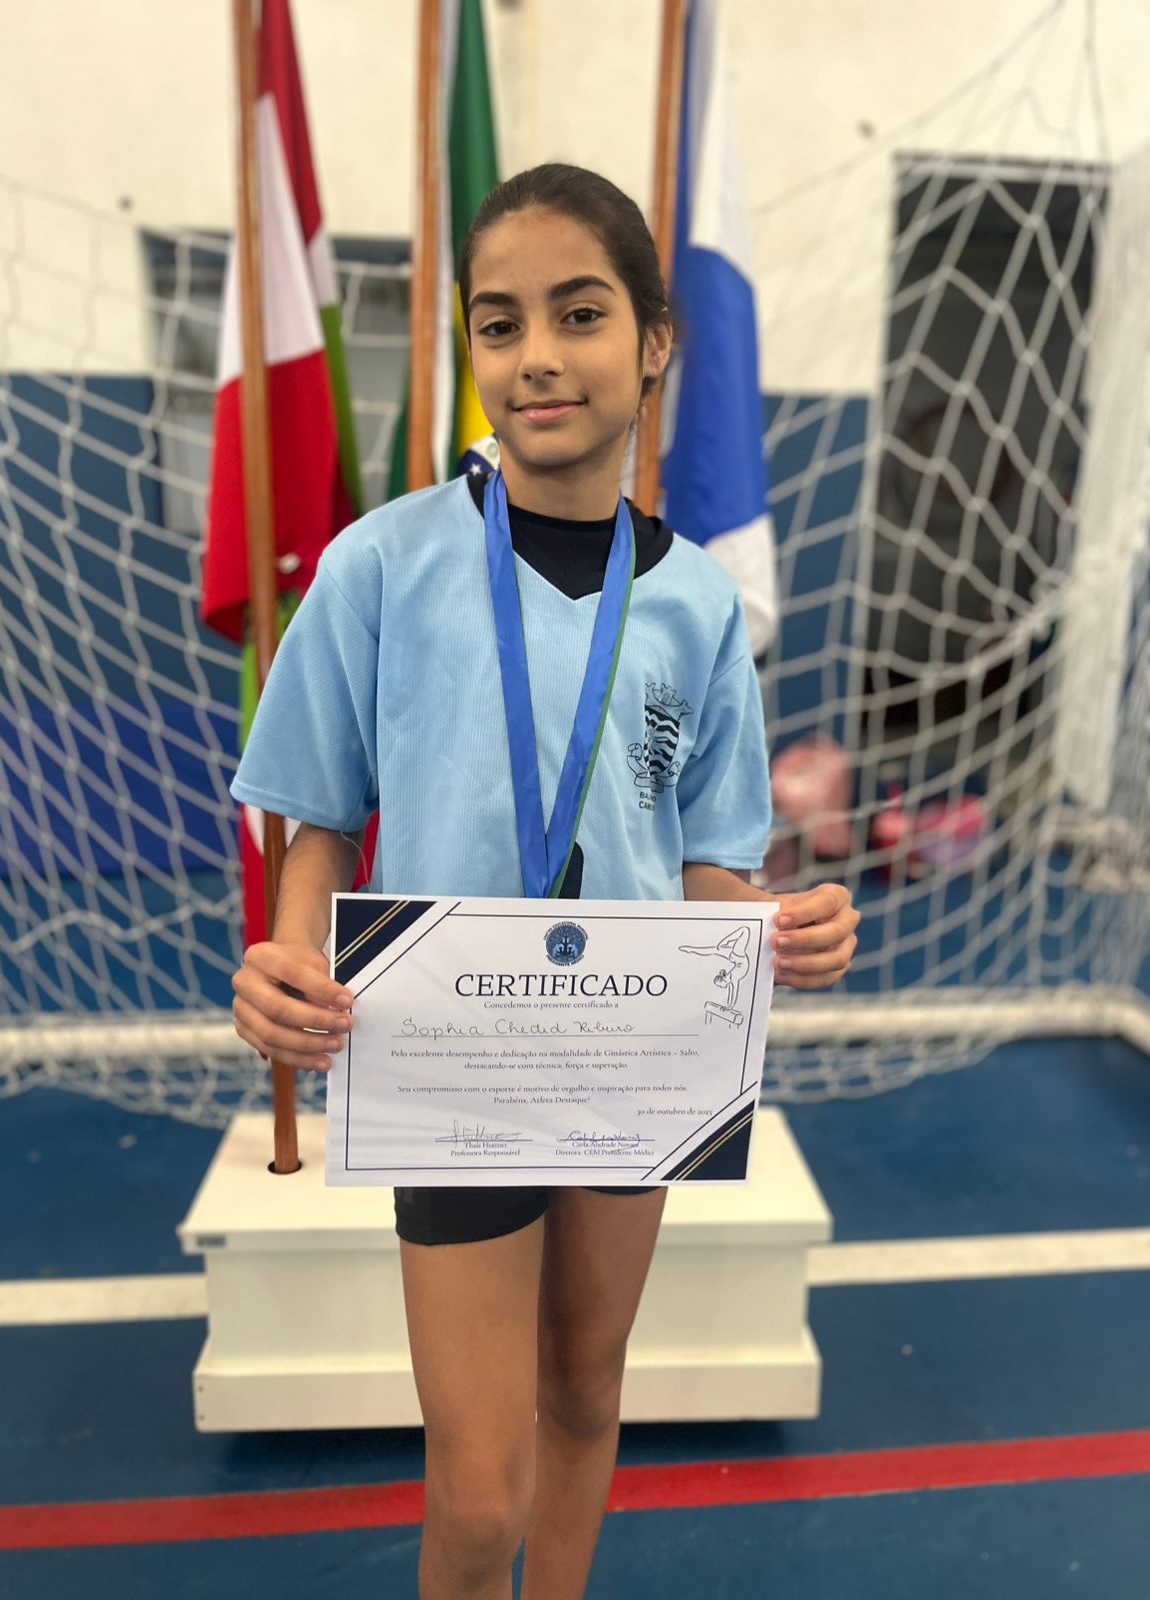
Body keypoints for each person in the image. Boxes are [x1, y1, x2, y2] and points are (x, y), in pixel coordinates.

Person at [229, 163, 859, 1600]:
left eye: (579, 314)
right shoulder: (382, 564)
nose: (537, 358)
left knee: (584, 1389)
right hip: (443, 1049)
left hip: (632, 1048)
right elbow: (315, 816)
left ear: (654, 341)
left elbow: (703, 872)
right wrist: (289, 953)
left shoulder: (696, 602)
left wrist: (778, 926)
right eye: (499, 324)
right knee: (477, 1492)